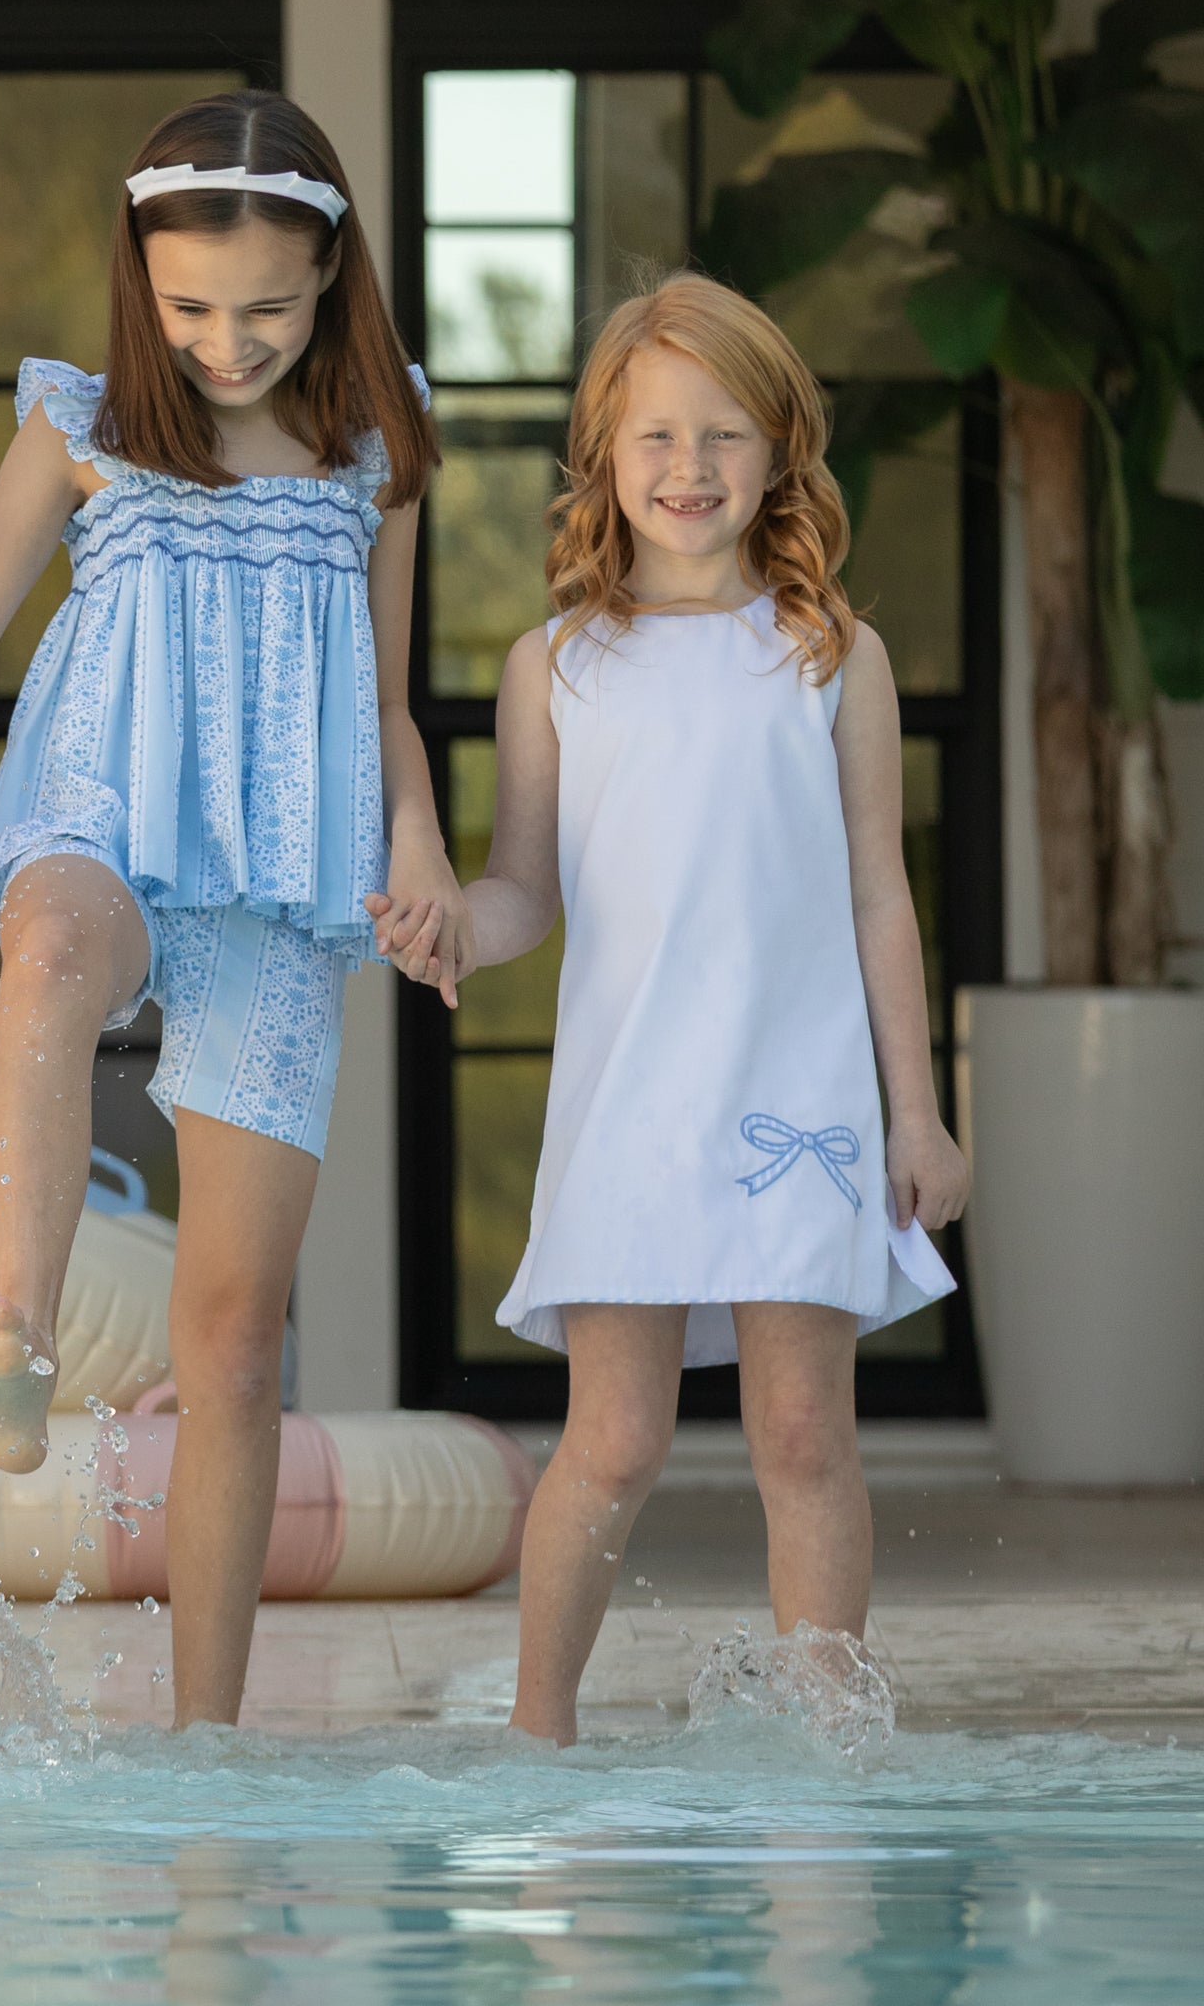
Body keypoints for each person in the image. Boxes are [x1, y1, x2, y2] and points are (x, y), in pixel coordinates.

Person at [0, 91, 455, 1727]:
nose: (224, 344)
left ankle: (206, 1738)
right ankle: (14, 1329)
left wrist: (427, 846)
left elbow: (389, 703)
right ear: (138, 284)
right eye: (188, 311)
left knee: (236, 1339)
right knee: (45, 946)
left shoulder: (373, 458)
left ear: (332, 281)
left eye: (266, 310)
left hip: (281, 879)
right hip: (97, 806)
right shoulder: (86, 421)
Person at [374, 272, 967, 1745]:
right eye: (655, 437)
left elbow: (881, 894)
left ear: (779, 455)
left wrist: (922, 1111)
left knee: (804, 1434)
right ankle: (537, 1733)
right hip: (630, 1107)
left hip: (802, 1101)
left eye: (724, 436)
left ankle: (832, 1739)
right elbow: (525, 892)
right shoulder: (558, 665)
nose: (688, 470)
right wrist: (450, 919)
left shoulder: (834, 657)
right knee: (617, 1436)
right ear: (604, 458)